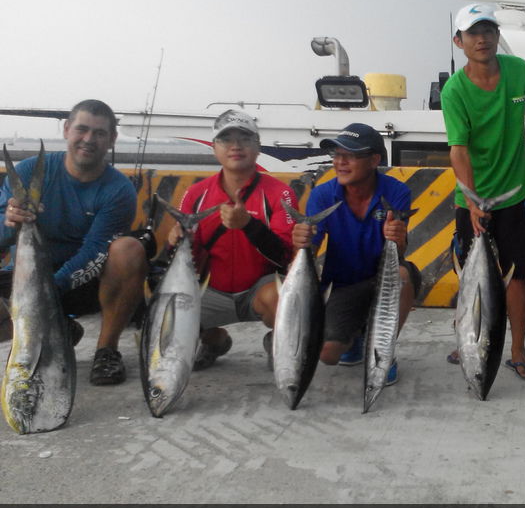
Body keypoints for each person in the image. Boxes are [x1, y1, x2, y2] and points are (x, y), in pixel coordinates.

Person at [441, 2, 525, 381]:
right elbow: (458, 149)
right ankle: (467, 340)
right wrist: (473, 202)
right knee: (470, 276)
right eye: (473, 33)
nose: (483, 38)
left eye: (489, 30)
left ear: (497, 36)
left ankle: (518, 352)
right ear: (459, 41)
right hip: (471, 197)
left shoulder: (518, 69)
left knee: (518, 277)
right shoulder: (454, 90)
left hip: (513, 195)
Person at [0, 99, 147, 385]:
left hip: (82, 282)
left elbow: (95, 251)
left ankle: (107, 350)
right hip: (25, 279)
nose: (88, 139)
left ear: (112, 140)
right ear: (67, 129)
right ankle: (60, 329)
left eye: (99, 133)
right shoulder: (29, 172)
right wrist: (10, 223)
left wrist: (44, 294)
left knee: (128, 250)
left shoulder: (118, 190)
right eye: (82, 129)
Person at [291, 123, 420, 384]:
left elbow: (399, 250)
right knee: (328, 355)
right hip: (340, 287)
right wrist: (300, 242)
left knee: (403, 274)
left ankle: (383, 351)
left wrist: (398, 237)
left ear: (374, 160)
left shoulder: (396, 192)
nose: (340, 162)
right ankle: (355, 337)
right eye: (336, 155)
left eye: (350, 155)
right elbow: (307, 253)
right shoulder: (322, 195)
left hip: (381, 280)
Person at [166, 110, 294, 369]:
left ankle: (277, 338)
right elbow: (188, 258)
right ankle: (215, 339)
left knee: (284, 298)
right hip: (210, 291)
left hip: (260, 291)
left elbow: (285, 255)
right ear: (214, 148)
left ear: (258, 147)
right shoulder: (195, 194)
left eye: (245, 139)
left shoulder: (280, 192)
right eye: (226, 140)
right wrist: (177, 240)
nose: (235, 146)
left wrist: (249, 226)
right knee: (164, 309)